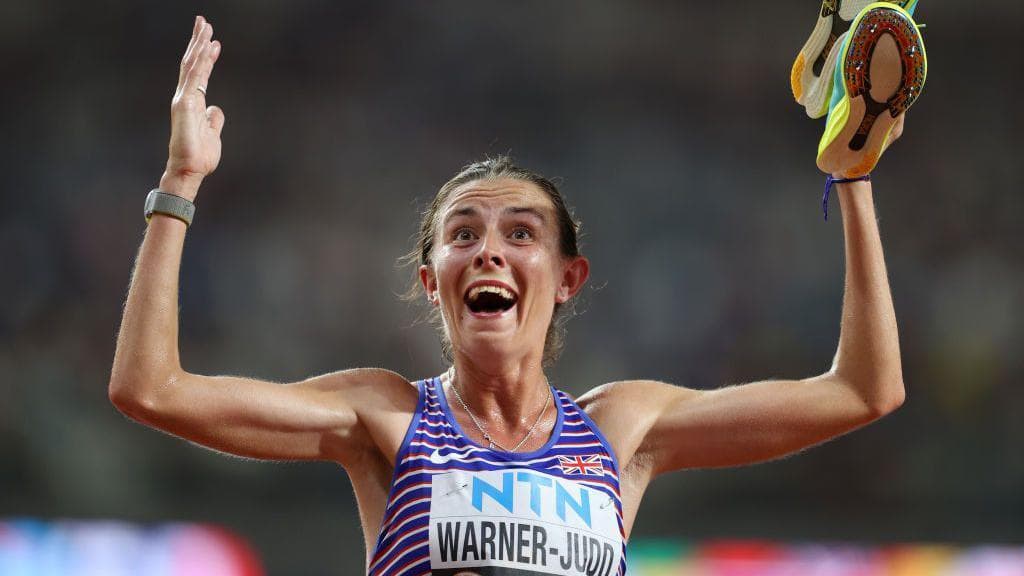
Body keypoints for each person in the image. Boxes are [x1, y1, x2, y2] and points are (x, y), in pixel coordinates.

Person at [110, 6, 925, 575]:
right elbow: (151, 389)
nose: (489, 251)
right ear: (432, 283)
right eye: (463, 234)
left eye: (521, 234)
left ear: (569, 279)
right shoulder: (385, 418)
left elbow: (864, 390)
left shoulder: (623, 431)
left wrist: (850, 175)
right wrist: (180, 182)